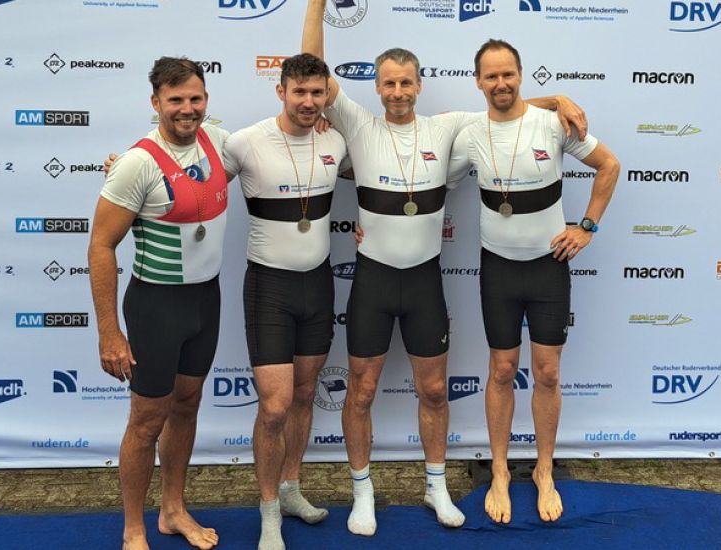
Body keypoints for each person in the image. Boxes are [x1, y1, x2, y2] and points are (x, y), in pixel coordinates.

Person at [302, 0, 588, 536]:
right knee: (361, 390)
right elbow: (313, 70)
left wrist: (558, 99)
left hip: (424, 281)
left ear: (419, 85)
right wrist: (317, 5)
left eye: (406, 83)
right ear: (377, 88)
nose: (398, 92)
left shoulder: (449, 126)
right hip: (373, 279)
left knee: (434, 391)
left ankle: (436, 487)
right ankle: (362, 492)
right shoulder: (358, 125)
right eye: (389, 84)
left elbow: (508, 107)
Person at [448, 39, 620, 524]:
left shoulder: (552, 123)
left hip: (548, 267)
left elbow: (609, 166)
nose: (500, 83)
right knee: (502, 371)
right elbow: (423, 171)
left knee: (547, 373)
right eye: (491, 76)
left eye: (508, 74)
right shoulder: (469, 133)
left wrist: (586, 227)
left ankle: (544, 469)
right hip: (498, 268)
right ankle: (500, 471)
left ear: (521, 75)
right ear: (478, 81)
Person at [88, 57, 228, 550]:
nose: (187, 109)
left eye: (195, 98)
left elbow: (276, 142)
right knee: (146, 421)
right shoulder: (138, 163)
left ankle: (172, 510)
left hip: (205, 301)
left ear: (206, 99)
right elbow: (100, 247)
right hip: (156, 307)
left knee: (187, 406)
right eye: (175, 100)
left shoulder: (218, 142)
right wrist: (109, 332)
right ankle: (133, 527)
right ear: (156, 103)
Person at [222, 53, 347, 550]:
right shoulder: (245, 141)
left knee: (304, 394)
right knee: (274, 407)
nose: (309, 102)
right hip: (269, 288)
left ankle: (292, 488)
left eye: (317, 93)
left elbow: (391, 164)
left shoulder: (336, 140)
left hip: (318, 284)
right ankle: (269, 509)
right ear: (281, 92)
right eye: (300, 92)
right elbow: (192, 176)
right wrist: (128, 164)